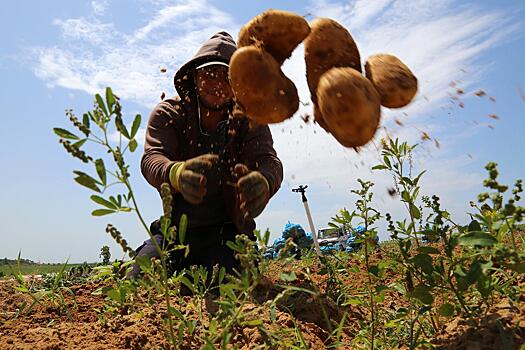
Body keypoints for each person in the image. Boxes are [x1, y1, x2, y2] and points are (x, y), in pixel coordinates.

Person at [130, 32, 283, 278]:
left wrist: (265, 182)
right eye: (209, 73)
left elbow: (269, 161)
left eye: (227, 77)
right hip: (175, 233)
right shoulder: (170, 113)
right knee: (141, 280)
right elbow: (152, 158)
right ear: (194, 77)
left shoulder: (249, 120)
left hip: (229, 234)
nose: (217, 83)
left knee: (233, 283)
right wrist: (176, 173)